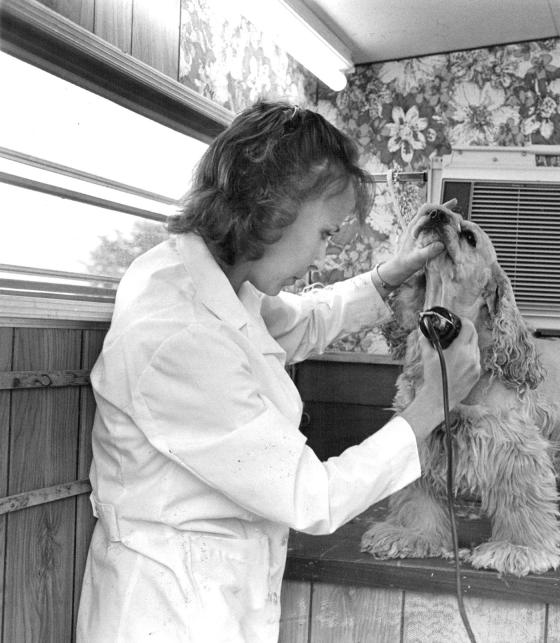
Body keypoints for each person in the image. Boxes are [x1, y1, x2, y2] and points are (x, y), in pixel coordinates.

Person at [76, 100, 482, 642]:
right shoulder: (177, 330)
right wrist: (432, 405)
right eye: (324, 234)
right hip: (170, 609)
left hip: (212, 585)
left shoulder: (212, 281)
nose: (321, 255)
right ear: (273, 207)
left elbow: (299, 323)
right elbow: (312, 496)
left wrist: (386, 278)